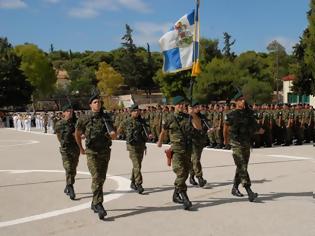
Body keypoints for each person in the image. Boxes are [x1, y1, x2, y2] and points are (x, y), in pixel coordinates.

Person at [75, 94, 116, 220]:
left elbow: (114, 134)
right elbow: (77, 133)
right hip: (92, 152)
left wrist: (113, 134)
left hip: (104, 152)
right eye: (95, 102)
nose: (97, 104)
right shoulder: (84, 118)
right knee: (97, 177)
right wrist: (81, 148)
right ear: (90, 105)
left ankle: (94, 202)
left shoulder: (106, 117)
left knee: (101, 178)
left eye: (99, 102)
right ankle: (99, 204)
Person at [157, 96, 201, 210]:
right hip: (176, 150)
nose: (182, 106)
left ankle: (175, 195)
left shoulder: (188, 117)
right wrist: (160, 141)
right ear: (175, 105)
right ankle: (184, 196)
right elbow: (163, 131)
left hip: (188, 149)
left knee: (185, 174)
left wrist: (193, 115)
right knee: (181, 173)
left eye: (183, 104)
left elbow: (198, 127)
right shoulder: (170, 118)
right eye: (179, 104)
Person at [223, 91, 264, 202]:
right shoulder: (230, 115)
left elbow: (255, 126)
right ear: (236, 102)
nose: (243, 101)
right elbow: (225, 128)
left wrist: (259, 130)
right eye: (240, 99)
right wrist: (225, 141)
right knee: (242, 166)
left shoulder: (248, 113)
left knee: (242, 166)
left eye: (243, 99)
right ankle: (249, 190)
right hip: (236, 143)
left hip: (246, 143)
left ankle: (234, 188)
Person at [117, 104, 151, 194]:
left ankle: (132, 182)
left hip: (141, 145)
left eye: (138, 110)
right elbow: (119, 130)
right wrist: (125, 135)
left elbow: (148, 131)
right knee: (136, 165)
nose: (137, 112)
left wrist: (149, 134)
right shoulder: (126, 121)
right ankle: (139, 184)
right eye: (135, 111)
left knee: (138, 165)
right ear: (131, 112)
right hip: (132, 146)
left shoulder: (142, 121)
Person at [55, 104, 80, 200]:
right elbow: (58, 135)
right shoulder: (59, 124)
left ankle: (67, 185)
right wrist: (62, 143)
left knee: (73, 169)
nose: (70, 113)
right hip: (65, 149)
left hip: (75, 149)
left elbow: (80, 133)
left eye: (71, 111)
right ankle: (70, 187)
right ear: (63, 113)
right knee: (68, 168)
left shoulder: (76, 123)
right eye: (68, 111)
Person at [188, 101, 208, 187]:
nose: (197, 108)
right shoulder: (189, 117)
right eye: (195, 107)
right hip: (192, 141)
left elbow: (206, 125)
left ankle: (192, 176)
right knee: (195, 159)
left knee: (195, 159)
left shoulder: (202, 116)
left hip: (200, 140)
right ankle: (200, 177)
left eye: (198, 107)